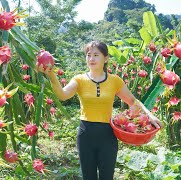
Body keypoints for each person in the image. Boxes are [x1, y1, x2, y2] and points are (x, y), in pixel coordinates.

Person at [37, 40, 163, 180]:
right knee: (88, 177)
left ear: (106, 58)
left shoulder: (115, 81)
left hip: (107, 136)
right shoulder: (79, 80)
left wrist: (150, 115)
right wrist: (51, 75)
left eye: (96, 55)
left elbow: (133, 101)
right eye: (88, 55)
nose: (91, 59)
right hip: (86, 135)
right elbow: (62, 95)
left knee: (106, 177)